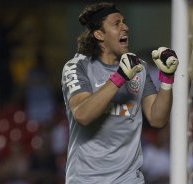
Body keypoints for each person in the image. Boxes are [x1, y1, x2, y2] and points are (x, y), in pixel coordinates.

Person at [61, 2, 179, 184]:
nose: (126, 27)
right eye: (117, 23)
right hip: (86, 179)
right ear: (99, 34)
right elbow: (82, 114)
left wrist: (167, 79)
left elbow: (157, 119)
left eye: (124, 22)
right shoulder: (77, 67)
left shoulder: (139, 69)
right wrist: (120, 77)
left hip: (129, 178)